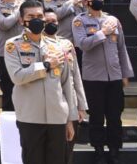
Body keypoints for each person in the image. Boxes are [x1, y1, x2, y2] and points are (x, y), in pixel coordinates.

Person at [6, 0, 77, 164]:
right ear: (21, 20)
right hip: (30, 117)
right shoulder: (13, 45)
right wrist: (45, 65)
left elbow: (67, 83)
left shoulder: (57, 46)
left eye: (39, 16)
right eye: (31, 16)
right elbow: (17, 76)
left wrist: (70, 120)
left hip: (58, 116)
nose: (36, 20)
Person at [73, 0, 132, 164]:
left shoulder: (113, 20)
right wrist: (102, 33)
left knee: (115, 116)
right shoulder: (79, 21)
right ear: (85, 2)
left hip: (114, 76)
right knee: (97, 117)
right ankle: (98, 150)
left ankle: (115, 150)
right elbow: (83, 44)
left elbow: (121, 48)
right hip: (93, 77)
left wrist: (125, 73)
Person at [44, 9, 87, 164]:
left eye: (54, 21)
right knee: (52, 151)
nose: (51, 24)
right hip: (51, 102)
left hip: (71, 102)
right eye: (47, 22)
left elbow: (76, 77)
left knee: (69, 148)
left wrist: (81, 105)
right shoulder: (38, 44)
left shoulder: (66, 43)